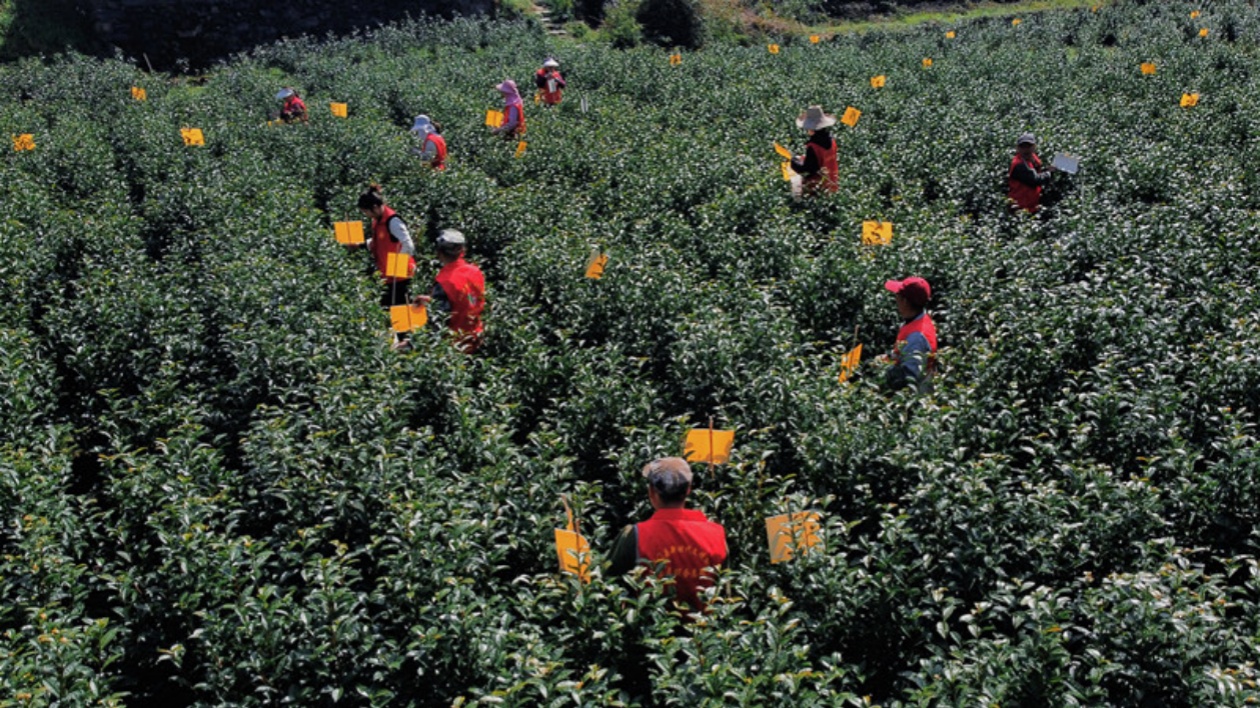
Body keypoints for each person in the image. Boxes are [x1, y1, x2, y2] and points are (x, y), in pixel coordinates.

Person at [609, 457, 728, 613]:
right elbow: (725, 591)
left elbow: (609, 584)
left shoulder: (635, 535)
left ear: (651, 491)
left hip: (650, 631)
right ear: (688, 490)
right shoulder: (716, 534)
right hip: (705, 632)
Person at [356, 185, 416, 350]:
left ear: (375, 207)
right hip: (388, 275)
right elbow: (379, 243)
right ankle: (395, 346)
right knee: (388, 310)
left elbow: (408, 245)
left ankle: (409, 349)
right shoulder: (378, 221)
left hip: (401, 275)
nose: (366, 216)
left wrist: (398, 266)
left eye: (366, 212)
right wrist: (360, 245)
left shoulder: (393, 221)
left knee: (402, 313)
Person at [416, 229, 485, 353]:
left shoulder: (445, 281)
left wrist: (413, 342)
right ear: (462, 251)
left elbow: (440, 319)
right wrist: (431, 300)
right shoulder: (475, 271)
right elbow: (466, 299)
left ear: (439, 253)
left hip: (455, 343)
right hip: (476, 336)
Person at [883, 276, 938, 393]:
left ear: (905, 301)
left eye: (897, 296)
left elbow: (908, 379)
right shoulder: (918, 318)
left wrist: (882, 369)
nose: (895, 299)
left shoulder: (916, 337)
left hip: (916, 398)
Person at [790, 105, 839, 196]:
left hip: (818, 187)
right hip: (832, 182)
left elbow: (810, 169)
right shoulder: (832, 141)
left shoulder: (813, 146)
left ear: (811, 129)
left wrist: (794, 162)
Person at [1008, 132, 1057, 214]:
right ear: (1017, 148)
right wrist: (1049, 173)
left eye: (1028, 146)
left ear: (1034, 147)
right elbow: (1035, 180)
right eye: (1022, 146)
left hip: (1031, 206)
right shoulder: (1018, 164)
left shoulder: (1032, 159)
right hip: (1020, 208)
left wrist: (1047, 170)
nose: (1025, 149)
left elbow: (1036, 173)